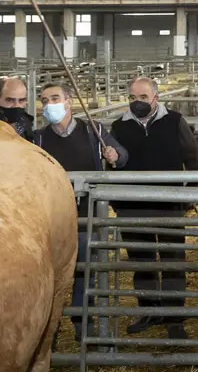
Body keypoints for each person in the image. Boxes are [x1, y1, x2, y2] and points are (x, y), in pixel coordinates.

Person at [110, 77, 198, 339]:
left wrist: (187, 194)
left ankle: (175, 315)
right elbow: (111, 165)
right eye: (132, 98)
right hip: (132, 206)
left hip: (169, 203)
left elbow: (194, 158)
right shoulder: (119, 127)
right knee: (142, 260)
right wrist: (117, 199)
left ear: (155, 97)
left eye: (142, 97)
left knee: (173, 258)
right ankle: (149, 310)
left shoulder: (174, 121)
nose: (136, 103)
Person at [34, 82, 128, 343]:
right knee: (49, 269)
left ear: (69, 102)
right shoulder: (39, 137)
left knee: (83, 266)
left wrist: (114, 154)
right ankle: (48, 326)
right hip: (51, 213)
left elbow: (122, 155)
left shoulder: (93, 130)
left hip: (86, 213)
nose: (48, 104)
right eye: (44, 100)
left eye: (54, 98)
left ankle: (81, 318)